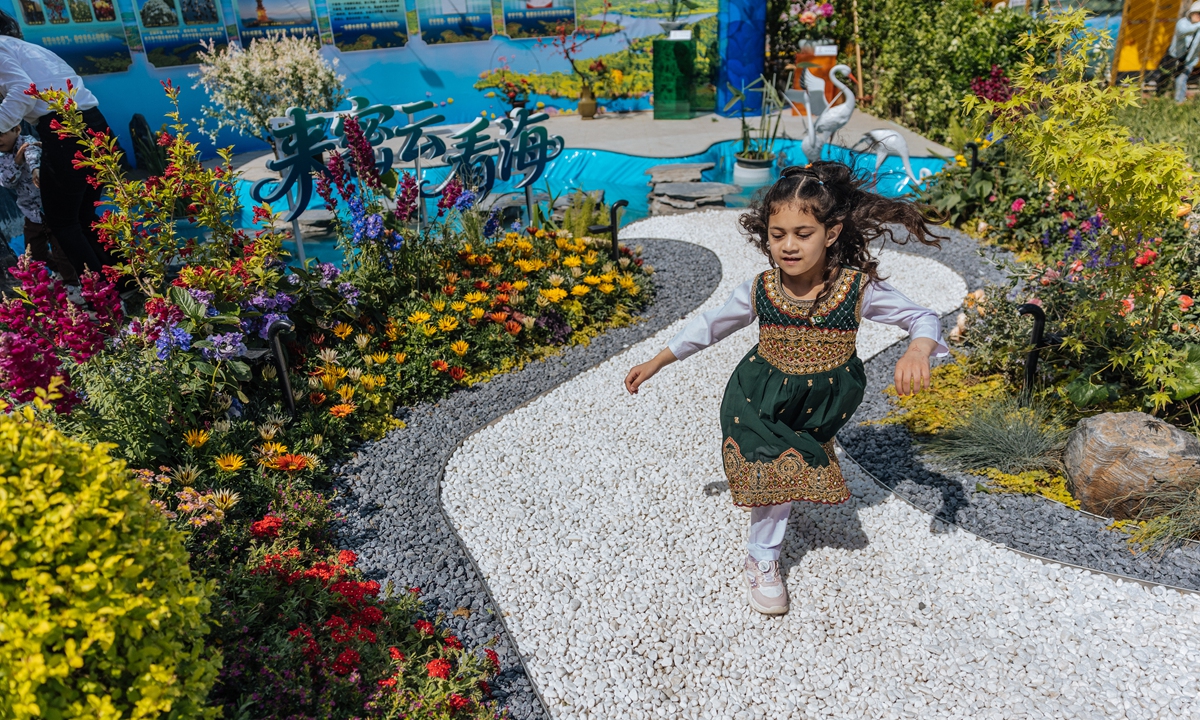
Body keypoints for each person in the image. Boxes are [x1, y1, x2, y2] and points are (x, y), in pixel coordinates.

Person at [623, 162, 946, 616]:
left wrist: (917, 350)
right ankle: (762, 559)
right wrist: (658, 360)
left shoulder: (857, 289)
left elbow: (921, 316)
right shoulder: (761, 288)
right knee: (776, 473)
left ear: (832, 233)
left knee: (792, 467)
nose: (789, 245)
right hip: (759, 395)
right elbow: (711, 325)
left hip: (822, 403)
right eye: (778, 235)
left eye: (802, 233)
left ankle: (771, 525)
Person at [0, 11, 118, 278]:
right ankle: (125, 282)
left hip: (64, 129)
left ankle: (102, 292)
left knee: (62, 221)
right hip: (94, 124)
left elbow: (22, 91)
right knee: (85, 216)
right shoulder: (26, 48)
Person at [0, 124, 77, 285]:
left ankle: (73, 284)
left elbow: (32, 154)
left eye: (1, 134)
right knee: (34, 251)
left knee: (60, 250)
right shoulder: (2, 158)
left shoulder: (27, 142)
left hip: (51, 207)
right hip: (31, 213)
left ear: (17, 129)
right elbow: (6, 182)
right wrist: (16, 163)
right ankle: (57, 271)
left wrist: (35, 169)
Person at [1149, 2, 1200, 103]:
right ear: (1191, 13)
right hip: (1173, 56)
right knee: (1164, 77)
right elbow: (1184, 31)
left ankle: (1179, 102)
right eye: (1198, 13)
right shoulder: (1182, 23)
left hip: (1188, 59)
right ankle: (1157, 98)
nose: (1199, 16)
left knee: (1181, 80)